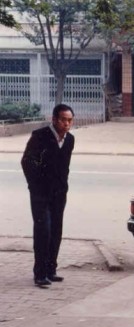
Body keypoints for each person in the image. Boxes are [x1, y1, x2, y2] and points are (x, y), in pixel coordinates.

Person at [21, 104, 75, 287]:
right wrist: (36, 186)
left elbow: (64, 167)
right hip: (40, 193)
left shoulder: (70, 140)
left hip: (59, 193)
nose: (66, 124)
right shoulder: (40, 136)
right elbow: (27, 162)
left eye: (69, 120)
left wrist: (63, 187)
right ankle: (40, 274)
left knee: (56, 231)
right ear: (54, 119)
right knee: (43, 231)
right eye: (63, 120)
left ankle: (51, 269)